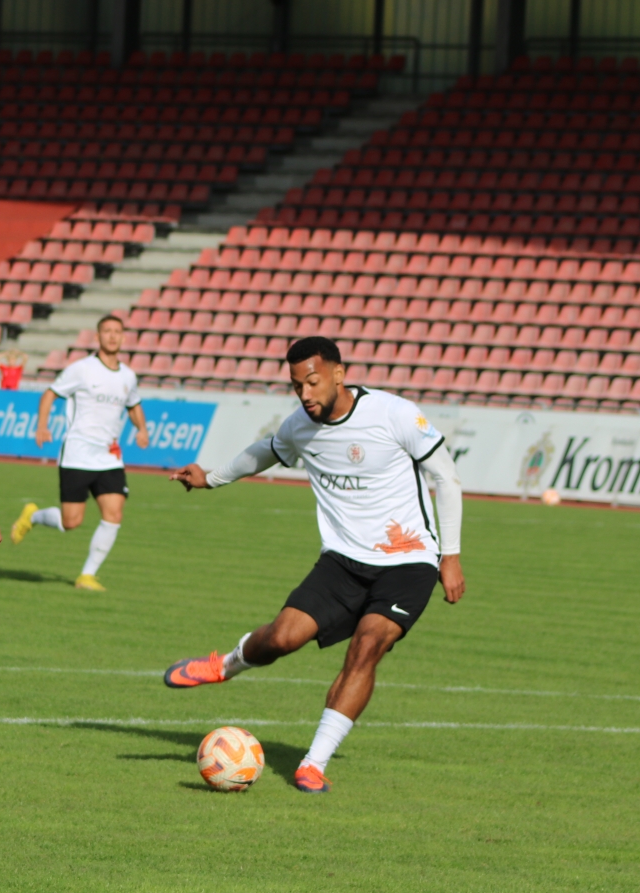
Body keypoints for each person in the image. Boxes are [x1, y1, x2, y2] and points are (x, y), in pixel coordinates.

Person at [162, 336, 465, 793]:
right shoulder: (299, 427)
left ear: (339, 374)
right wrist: (212, 479)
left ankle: (313, 763)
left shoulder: (394, 414)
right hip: (342, 563)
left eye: (312, 382)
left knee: (367, 645)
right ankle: (225, 665)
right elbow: (265, 451)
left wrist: (450, 556)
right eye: (296, 385)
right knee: (282, 638)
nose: (304, 394)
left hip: (408, 562)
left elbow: (446, 475)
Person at [11, 315, 150, 590]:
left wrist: (142, 429)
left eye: (117, 331)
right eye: (107, 331)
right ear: (97, 337)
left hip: (109, 456)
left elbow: (133, 405)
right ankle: (33, 516)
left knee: (114, 514)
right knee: (71, 521)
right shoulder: (82, 369)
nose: (112, 336)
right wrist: (42, 426)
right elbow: (50, 394)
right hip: (78, 453)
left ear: (123, 338)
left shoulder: (128, 376)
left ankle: (87, 575)